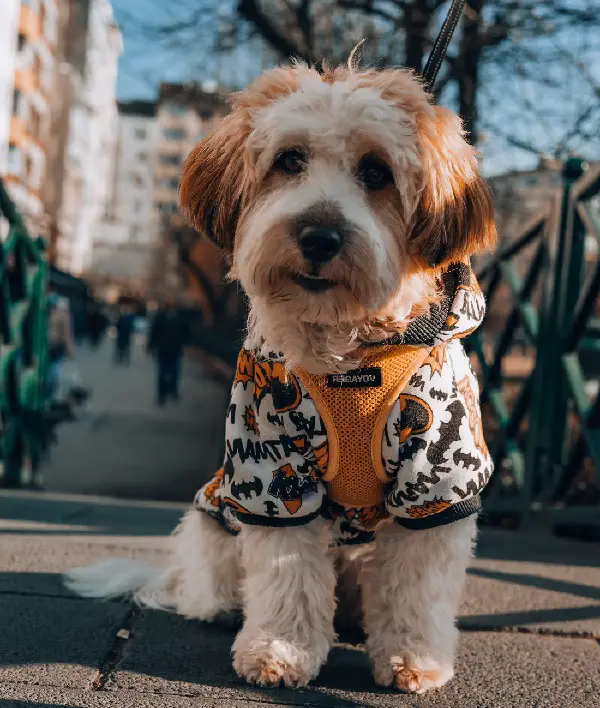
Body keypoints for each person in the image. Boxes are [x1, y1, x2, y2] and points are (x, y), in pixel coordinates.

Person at [147, 297, 189, 406]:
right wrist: (151, 346)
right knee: (164, 372)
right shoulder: (161, 317)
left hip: (173, 349)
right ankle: (163, 394)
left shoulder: (180, 318)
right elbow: (154, 332)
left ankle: (171, 391)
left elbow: (186, 332)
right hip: (165, 349)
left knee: (173, 372)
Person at [46, 291, 75, 401]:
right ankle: (51, 395)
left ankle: (50, 395)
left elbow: (66, 334)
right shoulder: (62, 315)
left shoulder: (49, 314)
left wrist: (70, 348)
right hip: (55, 346)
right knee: (54, 372)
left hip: (54, 346)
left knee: (53, 372)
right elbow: (67, 334)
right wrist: (70, 349)